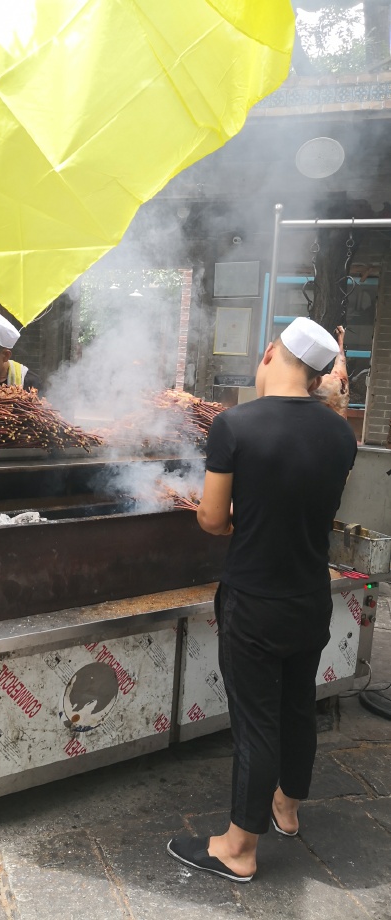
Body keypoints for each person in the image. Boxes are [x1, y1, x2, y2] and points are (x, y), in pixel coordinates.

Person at [167, 317, 357, 883]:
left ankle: (239, 847)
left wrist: (235, 523)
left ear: (271, 352)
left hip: (254, 600)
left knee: (255, 722)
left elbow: (209, 518)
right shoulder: (341, 435)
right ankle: (287, 809)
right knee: (299, 704)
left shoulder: (234, 426)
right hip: (309, 597)